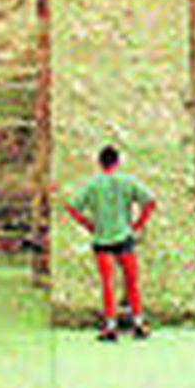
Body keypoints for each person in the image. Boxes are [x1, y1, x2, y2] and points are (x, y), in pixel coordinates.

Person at [63, 144, 156, 341]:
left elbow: (71, 206)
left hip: (102, 239)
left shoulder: (93, 184)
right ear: (117, 162)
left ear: (100, 163)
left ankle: (111, 326)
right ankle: (138, 322)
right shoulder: (127, 181)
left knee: (108, 283)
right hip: (124, 237)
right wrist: (138, 224)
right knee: (132, 282)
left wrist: (88, 225)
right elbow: (150, 201)